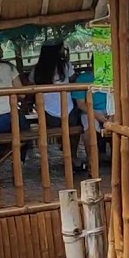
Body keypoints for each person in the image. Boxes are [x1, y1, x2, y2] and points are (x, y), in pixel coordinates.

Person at [33, 40, 86, 171]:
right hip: (69, 115)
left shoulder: (38, 69)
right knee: (76, 118)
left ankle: (52, 155)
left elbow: (30, 82)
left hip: (48, 117)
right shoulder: (65, 66)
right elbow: (74, 78)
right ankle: (72, 156)